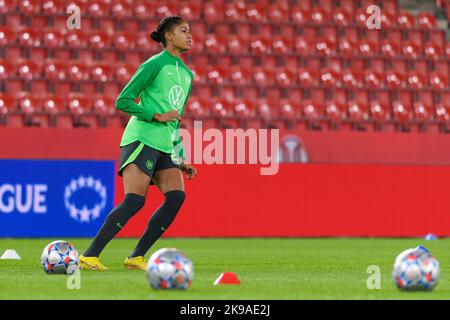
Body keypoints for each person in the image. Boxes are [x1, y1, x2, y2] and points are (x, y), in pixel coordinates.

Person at [79, 16, 197, 271]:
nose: (190, 35)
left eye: (190, 31)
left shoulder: (187, 75)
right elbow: (123, 101)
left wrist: (181, 157)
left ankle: (136, 258)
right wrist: (154, 115)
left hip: (165, 145)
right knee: (135, 200)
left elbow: (175, 120)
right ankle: (90, 256)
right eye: (183, 30)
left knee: (176, 197)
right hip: (141, 137)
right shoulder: (154, 65)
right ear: (168, 36)